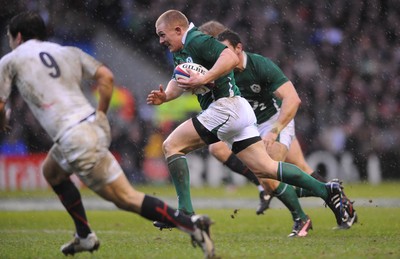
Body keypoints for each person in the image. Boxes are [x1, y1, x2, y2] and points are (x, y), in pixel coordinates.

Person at [0, 12, 215, 258]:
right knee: (51, 170)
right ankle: (84, 236)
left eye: (10, 38)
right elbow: (106, 77)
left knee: (127, 199)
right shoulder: (66, 51)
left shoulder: (10, 60)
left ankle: (192, 225)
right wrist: (100, 115)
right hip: (88, 126)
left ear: (17, 37)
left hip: (74, 137)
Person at [147, 9, 354, 234]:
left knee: (171, 146)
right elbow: (179, 80)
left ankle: (185, 212)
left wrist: (205, 78)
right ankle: (327, 190)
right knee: (266, 169)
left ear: (178, 30)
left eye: (162, 34)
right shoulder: (182, 49)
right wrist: (166, 96)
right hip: (240, 110)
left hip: (226, 107)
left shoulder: (196, 39)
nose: (160, 40)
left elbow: (229, 57)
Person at [198, 20, 271, 216]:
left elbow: (282, 94)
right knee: (217, 148)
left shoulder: (249, 64)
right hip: (246, 120)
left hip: (269, 121)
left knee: (280, 171)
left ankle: (330, 194)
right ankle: (261, 185)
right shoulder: (215, 65)